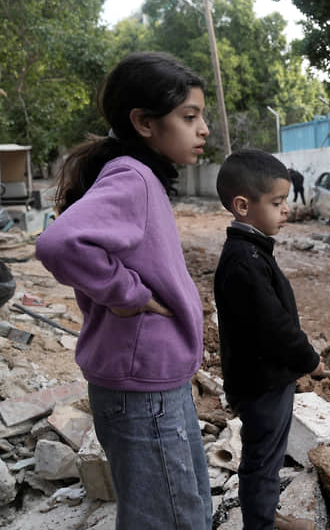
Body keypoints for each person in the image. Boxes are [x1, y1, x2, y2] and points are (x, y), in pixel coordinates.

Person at [35, 52, 212, 528]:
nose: (204, 130)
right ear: (144, 122)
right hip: (143, 390)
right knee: (173, 520)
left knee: (183, 509)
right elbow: (58, 243)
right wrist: (128, 294)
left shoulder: (138, 175)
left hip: (152, 381)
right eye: (190, 117)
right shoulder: (133, 177)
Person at [214, 149, 324, 530]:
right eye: (277, 202)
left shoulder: (252, 251)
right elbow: (274, 326)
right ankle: (260, 524)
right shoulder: (245, 260)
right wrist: (309, 359)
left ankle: (267, 515)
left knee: (270, 456)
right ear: (243, 205)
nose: (286, 210)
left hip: (265, 377)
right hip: (261, 383)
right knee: (262, 459)